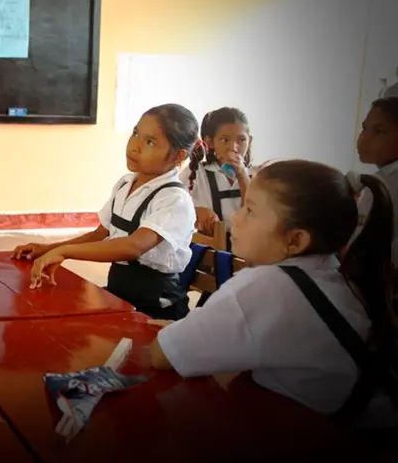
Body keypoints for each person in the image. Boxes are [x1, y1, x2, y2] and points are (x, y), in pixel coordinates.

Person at [151, 160, 398, 428]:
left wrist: (176, 335)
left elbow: (160, 355)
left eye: (250, 210)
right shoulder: (333, 271)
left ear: (295, 240)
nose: (235, 218)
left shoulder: (265, 286)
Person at [12, 104, 199, 320]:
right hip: (119, 294)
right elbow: (100, 234)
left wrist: (65, 252)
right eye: (135, 133)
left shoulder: (174, 199)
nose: (135, 146)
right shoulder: (125, 184)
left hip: (157, 305)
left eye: (150, 142)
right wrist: (48, 249)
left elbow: (134, 246)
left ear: (178, 156)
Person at [179, 107, 254, 249]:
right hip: (209, 253)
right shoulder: (196, 173)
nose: (234, 148)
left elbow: (255, 214)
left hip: (247, 251)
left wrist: (242, 176)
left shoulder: (257, 175)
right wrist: (195, 211)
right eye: (225, 140)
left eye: (241, 140)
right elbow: (173, 207)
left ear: (249, 141)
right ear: (210, 142)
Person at [353, 97, 398, 261]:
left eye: (379, 131)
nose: (363, 139)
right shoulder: (381, 179)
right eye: (364, 128)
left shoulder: (387, 184)